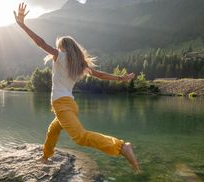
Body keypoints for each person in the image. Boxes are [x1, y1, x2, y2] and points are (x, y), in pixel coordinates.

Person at [14, 2, 140, 172]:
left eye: (58, 46)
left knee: (80, 137)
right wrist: (121, 78)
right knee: (53, 130)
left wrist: (22, 25)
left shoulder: (60, 56)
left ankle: (121, 146)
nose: (56, 49)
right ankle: (45, 157)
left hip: (62, 104)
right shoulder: (79, 64)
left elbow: (40, 42)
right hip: (70, 105)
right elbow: (101, 75)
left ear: (62, 47)